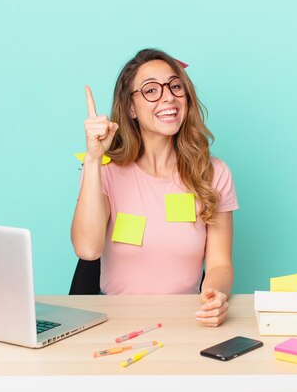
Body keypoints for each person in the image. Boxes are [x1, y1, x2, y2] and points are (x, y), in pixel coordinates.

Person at [71, 49, 238, 327]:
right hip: (115, 325)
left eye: (175, 86)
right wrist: (93, 159)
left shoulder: (213, 173)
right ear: (131, 108)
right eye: (151, 90)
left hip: (187, 322)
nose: (168, 96)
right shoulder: (105, 171)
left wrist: (215, 296)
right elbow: (88, 250)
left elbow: (220, 264)